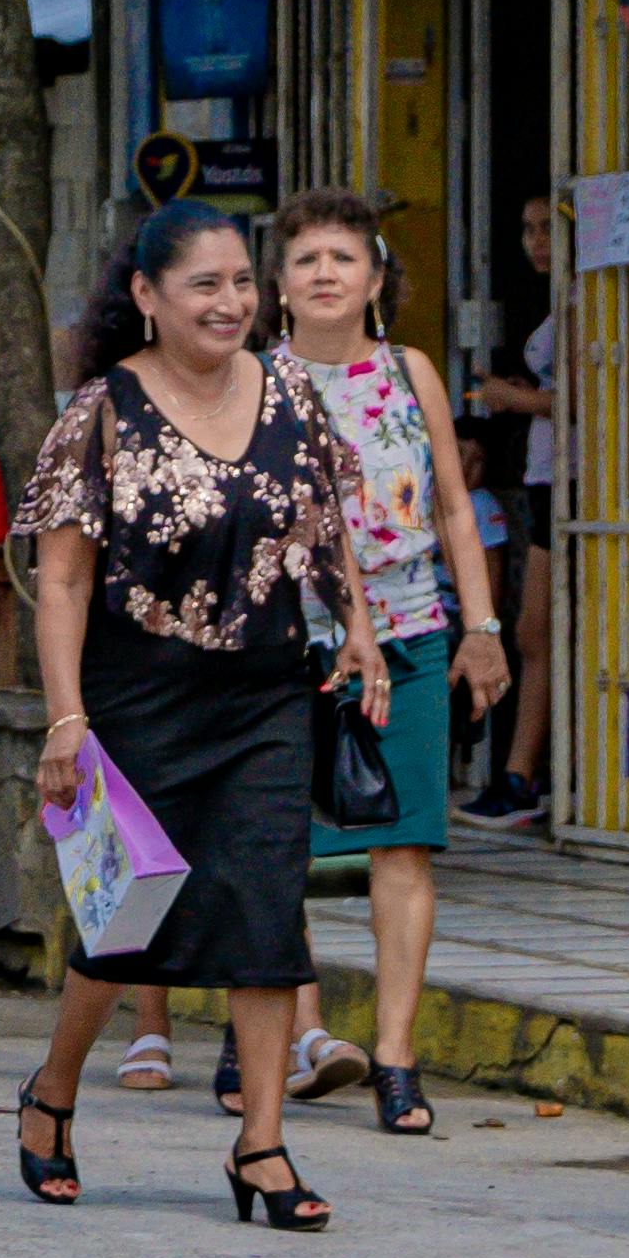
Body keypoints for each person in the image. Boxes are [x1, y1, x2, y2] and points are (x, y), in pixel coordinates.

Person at [0, 204, 382, 1235]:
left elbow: (325, 524)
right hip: (137, 697)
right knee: (124, 923)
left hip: (265, 692)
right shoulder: (104, 412)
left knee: (267, 911)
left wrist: (359, 631)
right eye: (204, 285)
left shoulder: (293, 391)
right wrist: (65, 718)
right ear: (147, 296)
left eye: (242, 283)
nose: (230, 303)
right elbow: (64, 581)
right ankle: (53, 1094)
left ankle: (260, 1145)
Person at [274, 191, 506, 1135]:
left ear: (375, 277)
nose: (324, 273)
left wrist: (480, 627)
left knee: (405, 843)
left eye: (342, 257)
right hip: (292, 647)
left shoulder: (409, 373)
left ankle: (399, 1062)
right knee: (280, 848)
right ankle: (298, 1034)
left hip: (412, 635)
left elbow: (453, 506)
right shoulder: (257, 384)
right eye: (305, 260)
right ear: (279, 288)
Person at [460, 197, 569, 824]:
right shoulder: (557, 302)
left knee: (535, 629)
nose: (534, 242)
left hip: (572, 477)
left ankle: (522, 775)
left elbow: (587, 394)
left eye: (546, 228)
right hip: (545, 475)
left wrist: (512, 398)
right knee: (536, 629)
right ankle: (520, 771)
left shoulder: (586, 300)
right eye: (526, 229)